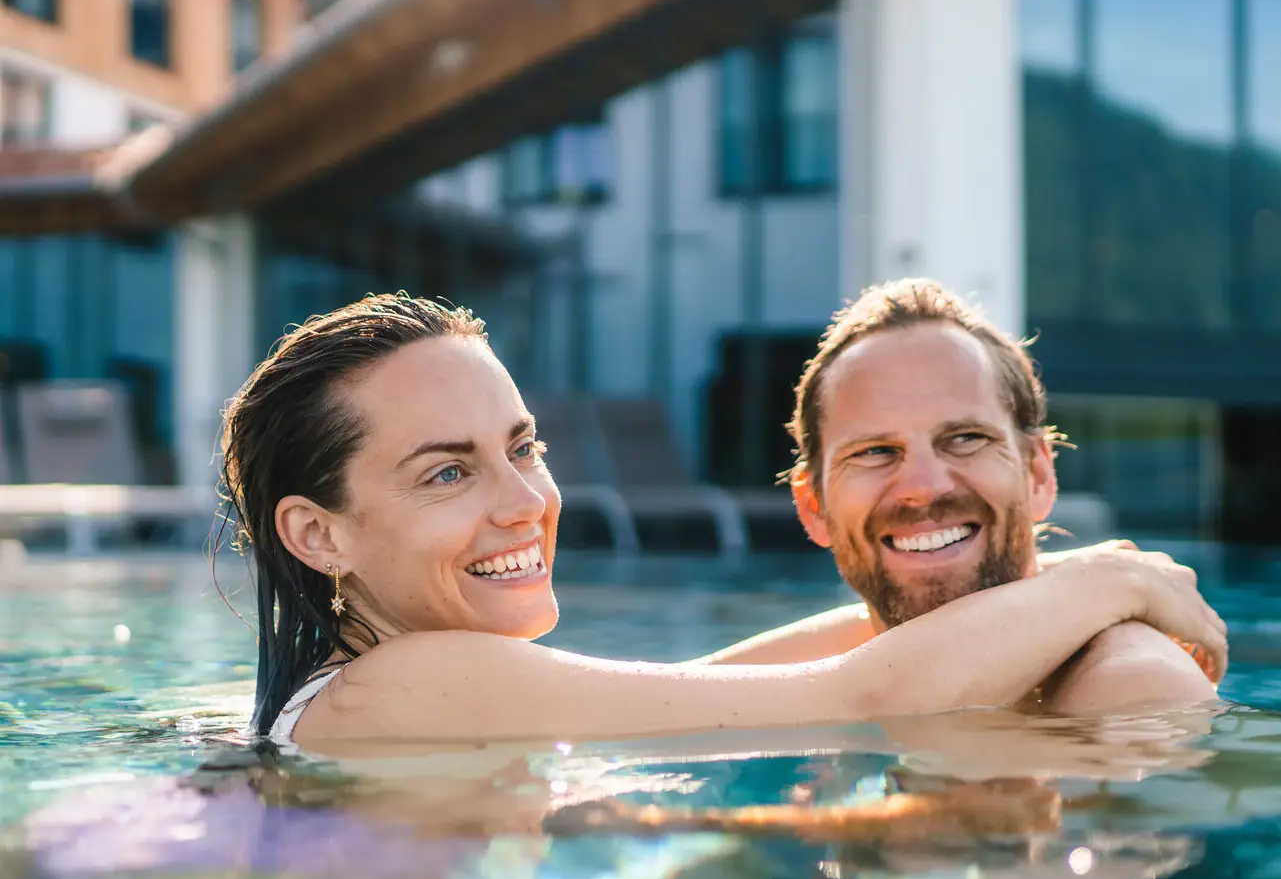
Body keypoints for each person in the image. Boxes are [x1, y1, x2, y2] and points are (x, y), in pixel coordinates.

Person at [217, 293, 1224, 751]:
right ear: (318, 536)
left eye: (524, 448)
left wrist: (1065, 606)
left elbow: (730, 690)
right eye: (446, 474)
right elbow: (855, 694)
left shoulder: (422, 683)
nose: (526, 502)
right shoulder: (402, 681)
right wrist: (1113, 582)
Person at [705, 280, 1220, 715]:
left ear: (1039, 474)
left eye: (966, 439)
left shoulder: (1131, 687)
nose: (924, 487)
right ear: (812, 507)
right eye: (875, 451)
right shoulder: (841, 668)